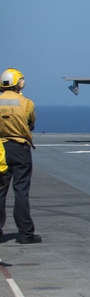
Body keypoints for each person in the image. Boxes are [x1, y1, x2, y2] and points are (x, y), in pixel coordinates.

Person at [0, 68, 41, 244]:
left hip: (0, 148)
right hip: (20, 149)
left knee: (0, 191)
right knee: (21, 191)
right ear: (20, 83)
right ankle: (25, 233)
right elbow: (31, 123)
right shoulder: (27, 103)